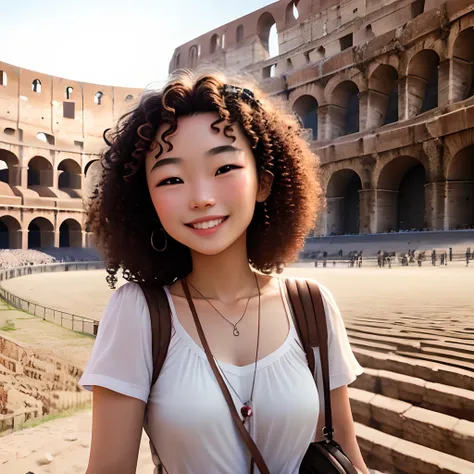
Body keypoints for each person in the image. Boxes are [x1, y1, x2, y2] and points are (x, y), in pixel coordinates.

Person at [79, 71, 368, 474]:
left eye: (224, 168)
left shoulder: (312, 306)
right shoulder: (138, 314)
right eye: (172, 178)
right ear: (147, 202)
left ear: (264, 183)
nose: (201, 198)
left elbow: (346, 458)